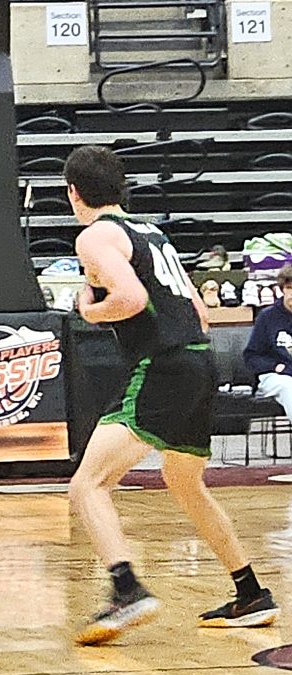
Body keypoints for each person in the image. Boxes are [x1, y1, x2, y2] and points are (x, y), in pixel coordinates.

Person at [64, 145, 278, 645]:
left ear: (73, 193)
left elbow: (131, 298)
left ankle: (126, 589)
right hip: (199, 360)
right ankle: (250, 593)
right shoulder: (151, 233)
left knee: (87, 485)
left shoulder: (95, 236)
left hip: (162, 365)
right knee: (184, 482)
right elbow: (199, 312)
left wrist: (89, 312)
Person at [243, 263, 292, 419]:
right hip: (276, 376)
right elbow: (251, 357)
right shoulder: (267, 317)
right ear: (282, 289)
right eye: (289, 288)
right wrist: (275, 366)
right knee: (289, 387)